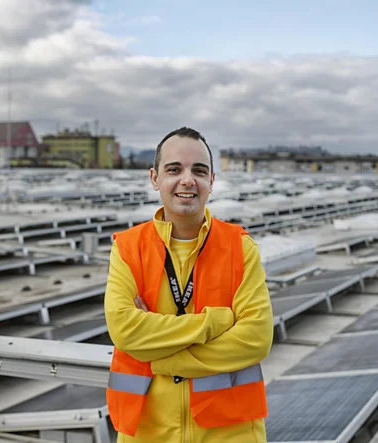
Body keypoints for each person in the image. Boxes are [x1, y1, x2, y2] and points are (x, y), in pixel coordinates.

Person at [104, 127, 274, 442]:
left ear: (212, 180)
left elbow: (256, 338)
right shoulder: (128, 248)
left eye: (199, 170)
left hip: (230, 433)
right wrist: (218, 321)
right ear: (154, 178)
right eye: (174, 169)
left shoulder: (240, 248)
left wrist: (162, 357)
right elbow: (125, 329)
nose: (187, 180)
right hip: (147, 433)